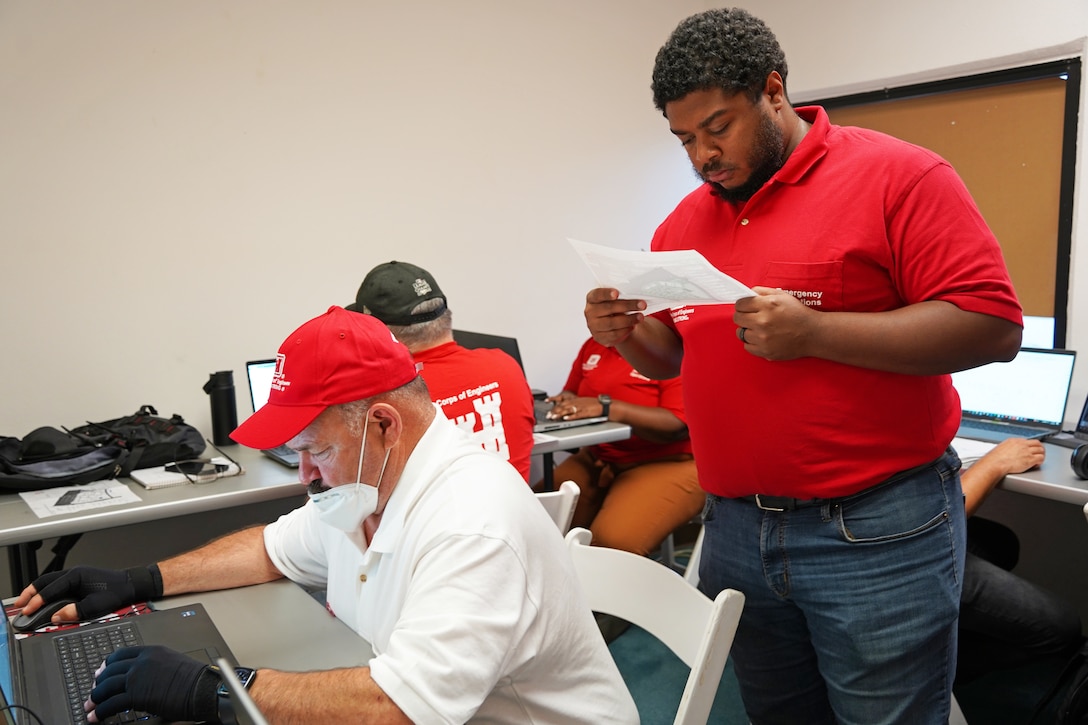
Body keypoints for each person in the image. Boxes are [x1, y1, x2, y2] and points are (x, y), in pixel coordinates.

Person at [583, 8, 1024, 724]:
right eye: (684, 138)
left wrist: (816, 332)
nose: (701, 156)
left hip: (876, 529)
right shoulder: (684, 221)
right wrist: (627, 334)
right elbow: (677, 348)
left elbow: (992, 324)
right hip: (736, 531)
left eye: (718, 127)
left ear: (774, 90)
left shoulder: (899, 176)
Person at [14, 307, 638, 725]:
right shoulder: (367, 485)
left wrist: (218, 690)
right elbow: (270, 549)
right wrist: (137, 581)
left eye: (314, 451)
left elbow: (397, 707)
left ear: (384, 424)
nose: (305, 476)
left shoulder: (471, 522)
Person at [347, 260, 536, 483]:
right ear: (445, 316)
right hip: (513, 514)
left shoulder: (384, 400)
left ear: (376, 332)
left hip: (434, 518)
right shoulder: (506, 366)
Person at [540, 337, 704, 556]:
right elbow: (572, 392)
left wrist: (608, 409)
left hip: (667, 462)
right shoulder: (594, 345)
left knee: (610, 547)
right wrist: (565, 403)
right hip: (599, 457)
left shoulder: (671, 349)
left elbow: (677, 425)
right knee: (538, 518)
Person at [957, 438, 1084, 684]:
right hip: (895, 554)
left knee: (1001, 543)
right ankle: (929, 669)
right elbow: (943, 516)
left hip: (894, 532)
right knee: (1062, 628)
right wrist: (995, 463)